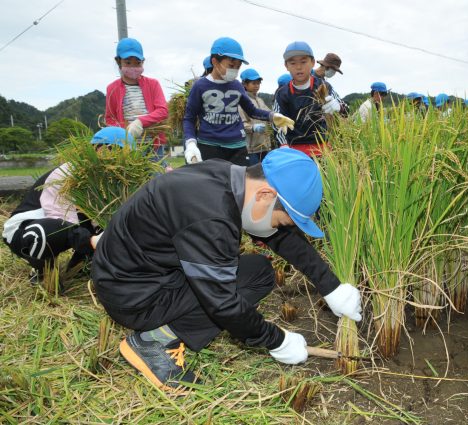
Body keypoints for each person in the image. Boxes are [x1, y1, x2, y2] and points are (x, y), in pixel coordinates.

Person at [90, 148, 363, 391]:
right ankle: (155, 341)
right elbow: (222, 304)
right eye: (284, 221)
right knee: (229, 293)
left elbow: (276, 233)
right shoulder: (210, 217)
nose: (280, 228)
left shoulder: (231, 179)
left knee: (259, 272)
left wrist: (331, 286)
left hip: (147, 271)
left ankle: (165, 330)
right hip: (133, 295)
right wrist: (276, 340)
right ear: (266, 195)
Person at [2, 127, 129, 288]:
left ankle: (81, 265)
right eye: (120, 155)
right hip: (26, 230)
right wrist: (90, 241)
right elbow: (58, 219)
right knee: (49, 232)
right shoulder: (66, 174)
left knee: (106, 230)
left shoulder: (104, 183)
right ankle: (42, 273)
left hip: (67, 228)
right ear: (100, 149)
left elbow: (100, 221)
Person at [183, 37, 293, 166]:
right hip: (209, 145)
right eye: (231, 65)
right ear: (215, 62)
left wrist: (272, 116)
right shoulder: (200, 86)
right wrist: (190, 142)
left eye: (238, 67)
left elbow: (252, 111)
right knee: (215, 184)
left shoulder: (236, 86)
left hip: (237, 146)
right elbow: (189, 118)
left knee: (241, 183)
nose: (234, 70)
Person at [273, 41, 344, 157]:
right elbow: (277, 123)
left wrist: (339, 107)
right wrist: (283, 145)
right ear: (286, 66)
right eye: (293, 63)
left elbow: (346, 110)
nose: (299, 67)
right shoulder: (282, 94)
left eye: (303, 62)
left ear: (312, 63)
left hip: (323, 149)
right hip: (294, 151)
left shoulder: (324, 86)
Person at [105, 38, 169, 166]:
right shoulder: (112, 89)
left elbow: (162, 111)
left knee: (156, 181)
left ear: (142, 62)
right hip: (127, 148)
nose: (133, 67)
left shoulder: (153, 84)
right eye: (128, 63)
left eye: (137, 63)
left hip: (153, 146)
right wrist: (125, 131)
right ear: (118, 62)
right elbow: (109, 119)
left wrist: (140, 122)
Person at [239, 68, 273, 165]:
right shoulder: (242, 101)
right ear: (245, 84)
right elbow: (240, 124)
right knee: (254, 176)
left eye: (258, 83)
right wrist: (253, 127)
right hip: (250, 148)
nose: (257, 86)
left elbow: (269, 114)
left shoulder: (260, 100)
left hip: (265, 146)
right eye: (253, 83)